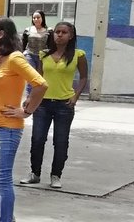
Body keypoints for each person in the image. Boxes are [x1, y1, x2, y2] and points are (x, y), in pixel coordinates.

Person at [0, 17, 47, 222]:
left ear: (2, 34)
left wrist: (26, 110)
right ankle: (5, 216)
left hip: (7, 128)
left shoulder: (17, 58)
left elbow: (40, 84)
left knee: (2, 177)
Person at [21, 21, 87, 190]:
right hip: (42, 104)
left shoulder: (78, 55)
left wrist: (75, 97)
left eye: (64, 32)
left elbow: (83, 78)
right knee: (37, 139)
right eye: (57, 32)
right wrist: (30, 98)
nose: (59, 35)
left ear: (71, 36)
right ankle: (34, 173)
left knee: (60, 141)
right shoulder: (44, 55)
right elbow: (39, 80)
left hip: (64, 105)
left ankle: (56, 175)